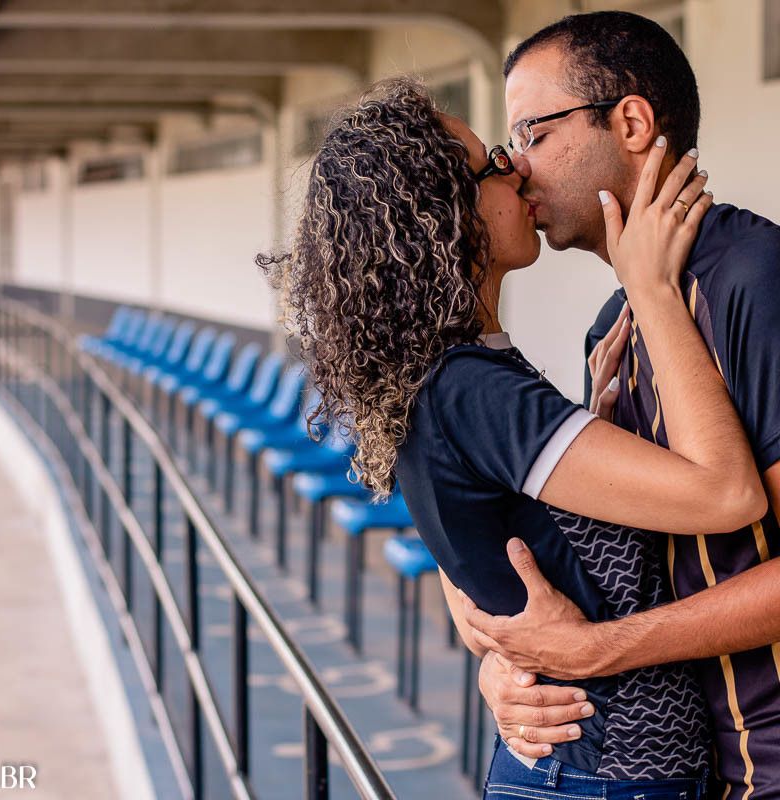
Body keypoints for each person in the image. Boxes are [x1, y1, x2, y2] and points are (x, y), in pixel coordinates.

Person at [258, 76, 767, 796]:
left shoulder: (464, 372)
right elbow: (727, 493)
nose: (518, 168)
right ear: (443, 215)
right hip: (604, 776)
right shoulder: (469, 388)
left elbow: (518, 569)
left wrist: (499, 653)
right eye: (495, 160)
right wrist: (650, 290)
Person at [462, 10, 780, 800]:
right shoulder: (611, 329)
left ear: (631, 121)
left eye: (533, 132)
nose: (516, 169)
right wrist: (510, 665)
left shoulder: (754, 279)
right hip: (682, 762)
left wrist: (600, 650)